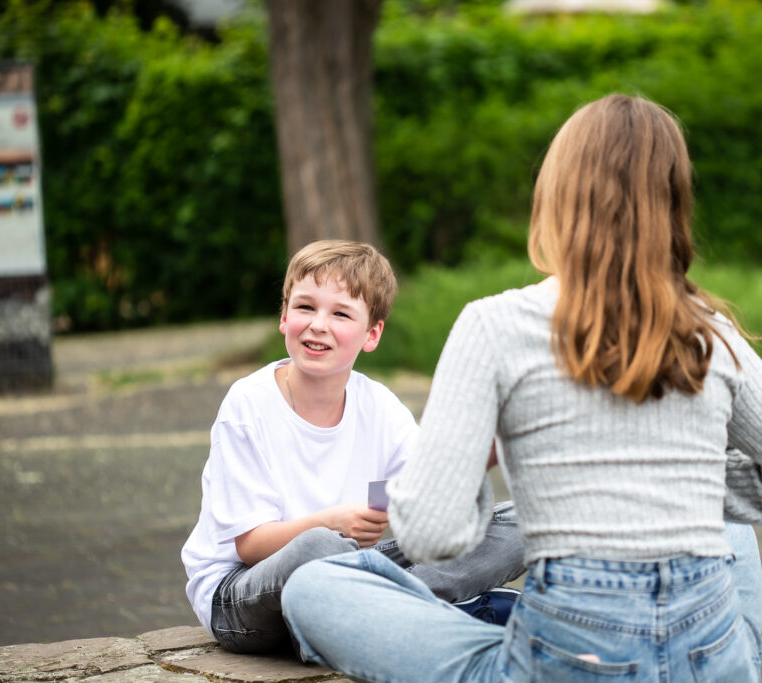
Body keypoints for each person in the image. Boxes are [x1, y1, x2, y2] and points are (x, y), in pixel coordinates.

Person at [280, 95, 762, 681]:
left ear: (555, 195)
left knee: (314, 585)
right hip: (709, 652)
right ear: (674, 202)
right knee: (720, 521)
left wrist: (480, 468)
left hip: (571, 655)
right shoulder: (709, 329)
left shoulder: (496, 326)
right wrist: (667, 478)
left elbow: (433, 533)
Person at [180, 240, 526, 655]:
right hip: (243, 593)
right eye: (306, 307)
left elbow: (421, 490)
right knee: (319, 545)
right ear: (284, 315)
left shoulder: (379, 407)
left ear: (371, 334)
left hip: (349, 573)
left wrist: (473, 457)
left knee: (523, 518)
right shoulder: (247, 403)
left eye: (341, 313)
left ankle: (374, 618)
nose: (318, 324)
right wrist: (333, 521)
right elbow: (249, 546)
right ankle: (425, 614)